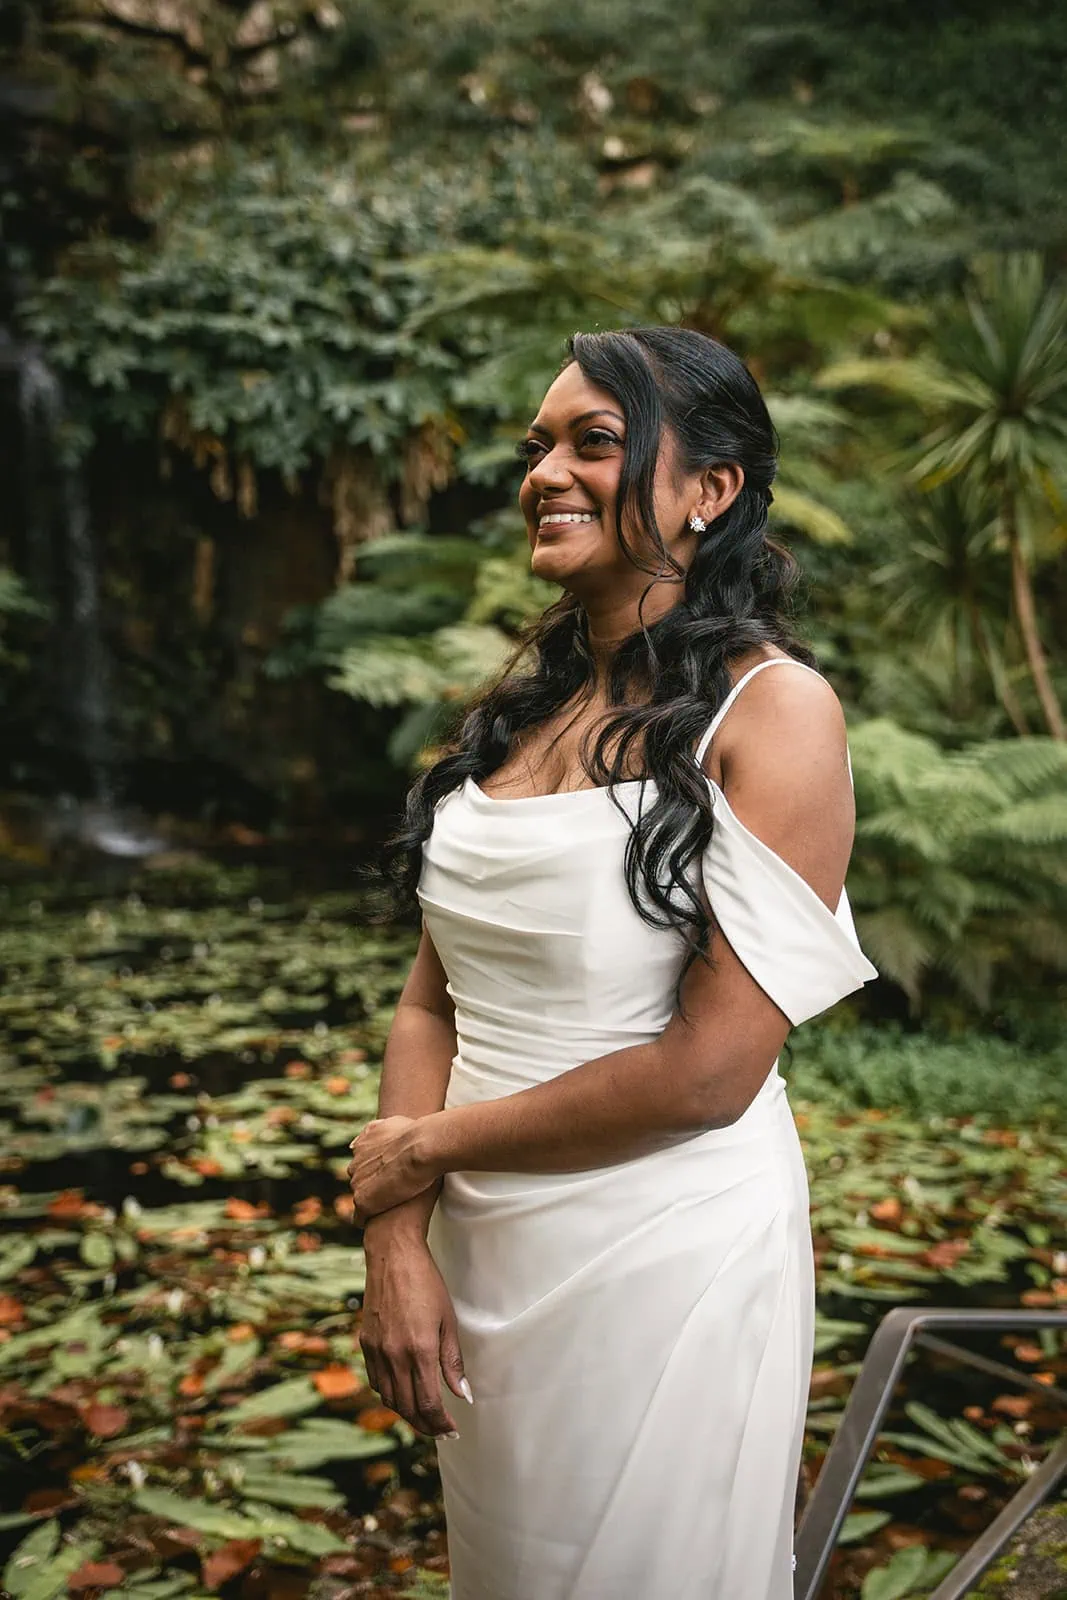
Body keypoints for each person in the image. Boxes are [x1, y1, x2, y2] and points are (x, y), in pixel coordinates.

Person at [346, 326, 878, 1600]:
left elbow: (708, 1072)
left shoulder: (773, 712)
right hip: (483, 1247)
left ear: (711, 490)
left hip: (664, 1243)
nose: (547, 472)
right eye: (539, 447)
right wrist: (398, 1236)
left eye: (596, 441)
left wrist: (419, 1151)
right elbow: (431, 997)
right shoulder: (510, 719)